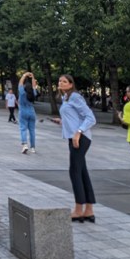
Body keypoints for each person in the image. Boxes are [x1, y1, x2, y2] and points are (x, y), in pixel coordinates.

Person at [51, 74, 96, 222]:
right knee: (82, 172)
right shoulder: (66, 98)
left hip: (79, 139)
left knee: (74, 172)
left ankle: (78, 210)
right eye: (59, 81)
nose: (61, 83)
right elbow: (76, 117)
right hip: (75, 137)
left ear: (71, 84)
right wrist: (63, 121)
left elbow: (90, 117)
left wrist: (78, 132)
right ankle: (88, 210)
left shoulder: (75, 97)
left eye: (64, 81)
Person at [17, 73, 41, 153]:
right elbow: (34, 85)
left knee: (23, 129)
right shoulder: (33, 92)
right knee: (32, 130)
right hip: (31, 112)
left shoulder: (22, 92)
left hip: (23, 111)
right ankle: (33, 147)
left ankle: (25, 145)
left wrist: (24, 75)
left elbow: (20, 83)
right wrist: (33, 77)